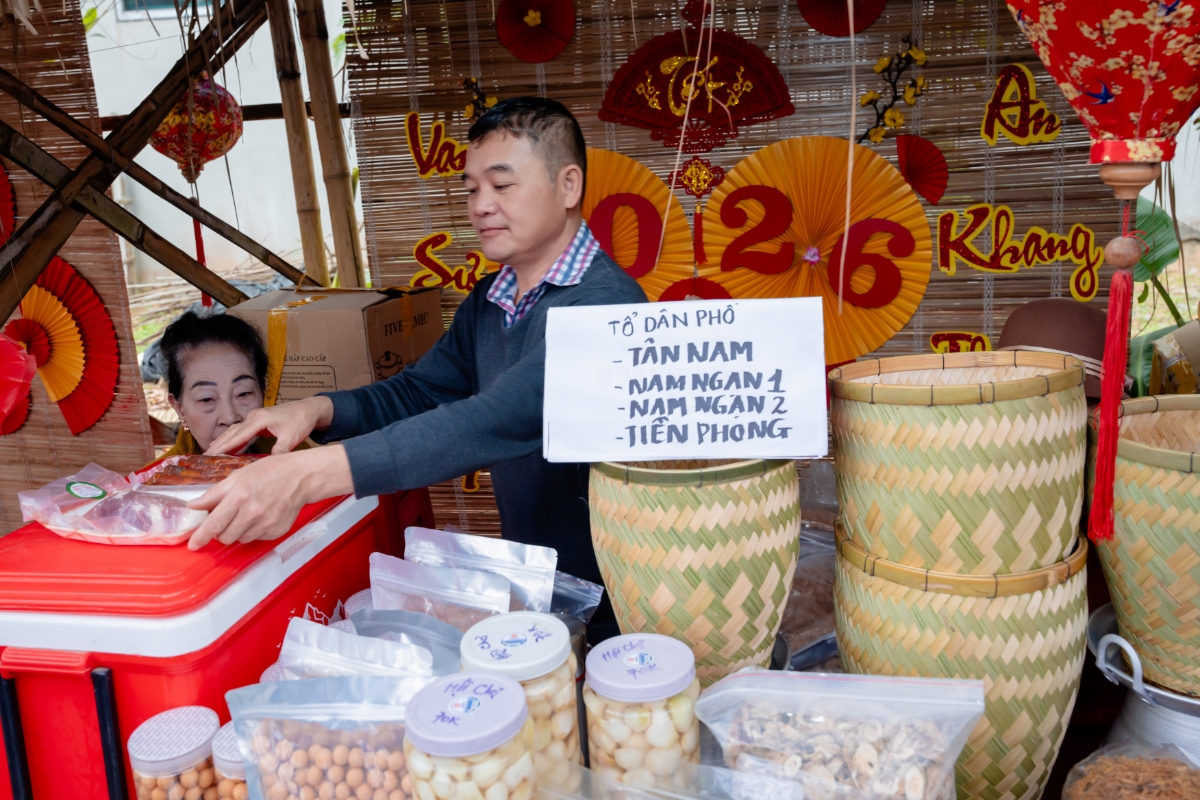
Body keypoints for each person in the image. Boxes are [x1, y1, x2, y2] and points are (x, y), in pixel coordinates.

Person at [189, 97, 647, 640]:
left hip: (616, 595)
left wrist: (308, 474)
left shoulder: (607, 306)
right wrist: (318, 409)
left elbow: (504, 417)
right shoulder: (492, 300)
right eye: (472, 188)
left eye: (502, 186)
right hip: (544, 587)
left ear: (568, 187)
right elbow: (422, 390)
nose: (481, 206)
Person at [156, 311, 309, 458]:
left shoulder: (296, 457)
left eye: (243, 393)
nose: (230, 418)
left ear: (262, 391)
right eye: (206, 399)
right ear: (180, 409)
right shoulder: (153, 482)